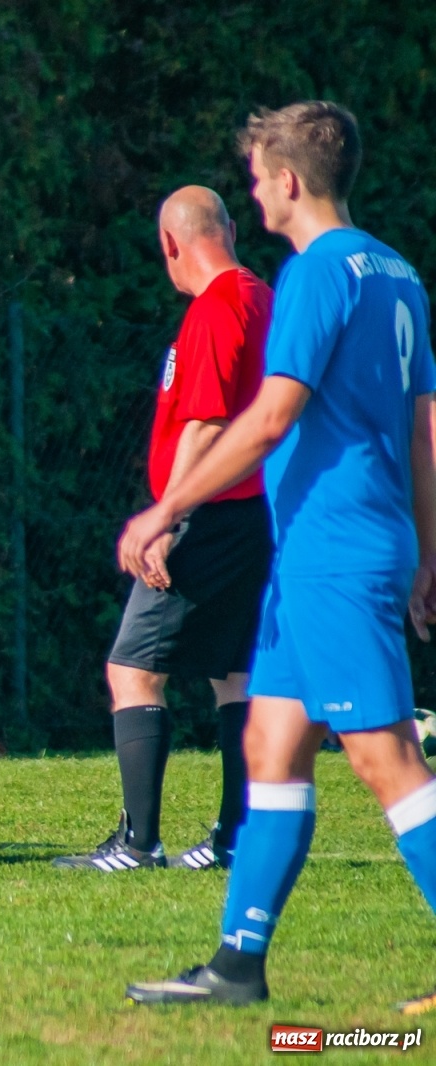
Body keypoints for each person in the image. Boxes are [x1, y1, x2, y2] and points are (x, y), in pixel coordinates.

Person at [118, 102, 436, 1011]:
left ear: (288, 182)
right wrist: (427, 549)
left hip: (336, 550)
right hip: (324, 554)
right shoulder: (397, 270)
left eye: (257, 176)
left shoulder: (316, 272)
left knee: (387, 760)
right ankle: (236, 965)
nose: (253, 191)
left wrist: (166, 508)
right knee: (270, 742)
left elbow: (269, 416)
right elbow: (425, 429)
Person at [55, 187, 273, 873]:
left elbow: (205, 422)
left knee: (132, 670)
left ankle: (138, 843)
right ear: (232, 229)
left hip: (206, 516)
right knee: (233, 674)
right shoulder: (262, 297)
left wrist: (165, 514)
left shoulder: (215, 308)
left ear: (169, 246)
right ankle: (237, 837)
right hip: (254, 513)